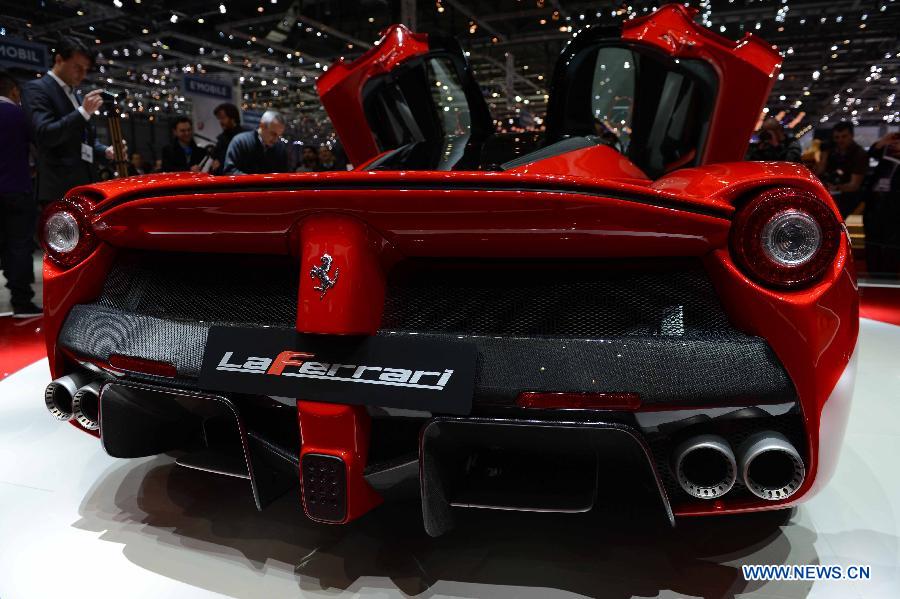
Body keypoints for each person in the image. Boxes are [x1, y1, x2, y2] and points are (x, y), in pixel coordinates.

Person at [21, 35, 125, 207]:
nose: (83, 74)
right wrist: (83, 112)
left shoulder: (74, 94)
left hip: (84, 187)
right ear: (59, 59)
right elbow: (45, 134)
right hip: (59, 189)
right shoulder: (36, 89)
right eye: (77, 67)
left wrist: (105, 151)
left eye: (86, 69)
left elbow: (81, 140)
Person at [0, 71, 41, 317]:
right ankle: (21, 300)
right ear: (15, 91)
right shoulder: (20, 114)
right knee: (19, 246)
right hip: (16, 189)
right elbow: (40, 146)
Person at [862, 131, 900, 277]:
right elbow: (873, 152)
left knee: (891, 247)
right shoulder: (887, 157)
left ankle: (888, 278)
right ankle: (874, 275)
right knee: (872, 243)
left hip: (895, 208)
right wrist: (884, 141)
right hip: (875, 204)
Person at [815, 122, 869, 217]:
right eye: (837, 137)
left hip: (849, 197)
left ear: (851, 136)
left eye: (844, 136)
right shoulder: (832, 152)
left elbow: (854, 185)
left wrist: (835, 188)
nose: (840, 140)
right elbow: (819, 172)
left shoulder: (859, 154)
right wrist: (824, 156)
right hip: (831, 194)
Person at [223, 110, 290, 175]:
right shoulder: (240, 142)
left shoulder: (280, 148)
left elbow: (284, 173)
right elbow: (230, 171)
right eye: (273, 134)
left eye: (279, 136)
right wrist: (256, 182)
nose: (276, 140)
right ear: (262, 125)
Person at [211, 103, 247, 174]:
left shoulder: (244, 137)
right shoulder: (222, 138)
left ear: (233, 118)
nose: (220, 122)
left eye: (223, 118)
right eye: (219, 119)